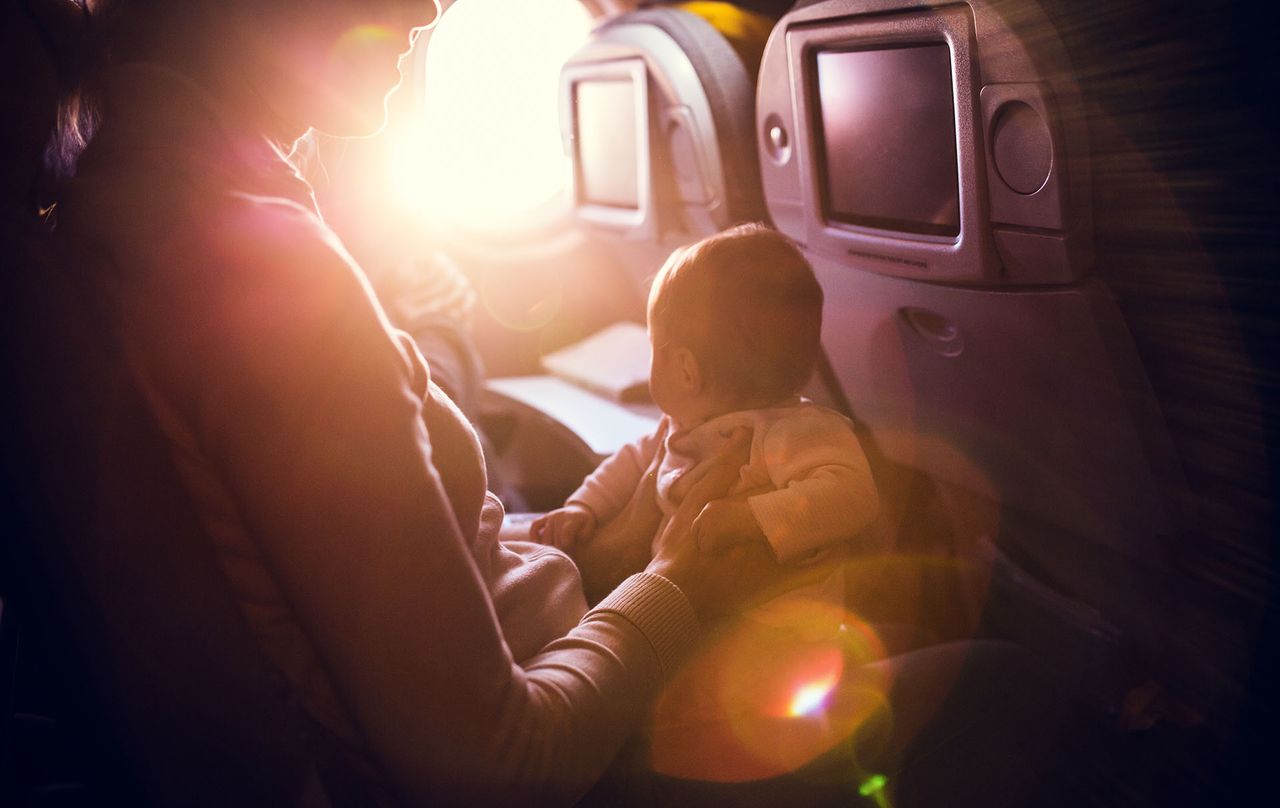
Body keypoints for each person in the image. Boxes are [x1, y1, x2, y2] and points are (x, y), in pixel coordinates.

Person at [26, 0, 789, 804]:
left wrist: (600, 547)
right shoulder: (256, 272)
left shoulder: (127, 195)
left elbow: (385, 580)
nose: (427, 8)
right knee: (923, 663)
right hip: (574, 759)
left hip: (544, 664)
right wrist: (678, 587)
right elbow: (496, 770)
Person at [529, 223, 885, 789]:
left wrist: (750, 519)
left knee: (743, 685)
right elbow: (626, 467)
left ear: (687, 369)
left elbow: (851, 496)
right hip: (689, 608)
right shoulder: (677, 428)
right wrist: (583, 509)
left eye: (654, 351)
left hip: (780, 631)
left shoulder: (797, 431)